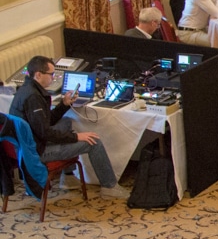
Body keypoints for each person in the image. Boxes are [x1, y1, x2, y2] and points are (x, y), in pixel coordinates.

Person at [10, 56, 129, 199]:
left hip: (27, 145)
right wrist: (76, 137)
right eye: (51, 74)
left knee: (66, 122)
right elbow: (45, 132)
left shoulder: (26, 89)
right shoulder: (33, 98)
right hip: (36, 151)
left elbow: (45, 122)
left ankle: (67, 176)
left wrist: (64, 104)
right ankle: (109, 187)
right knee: (94, 143)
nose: (54, 78)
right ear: (38, 74)